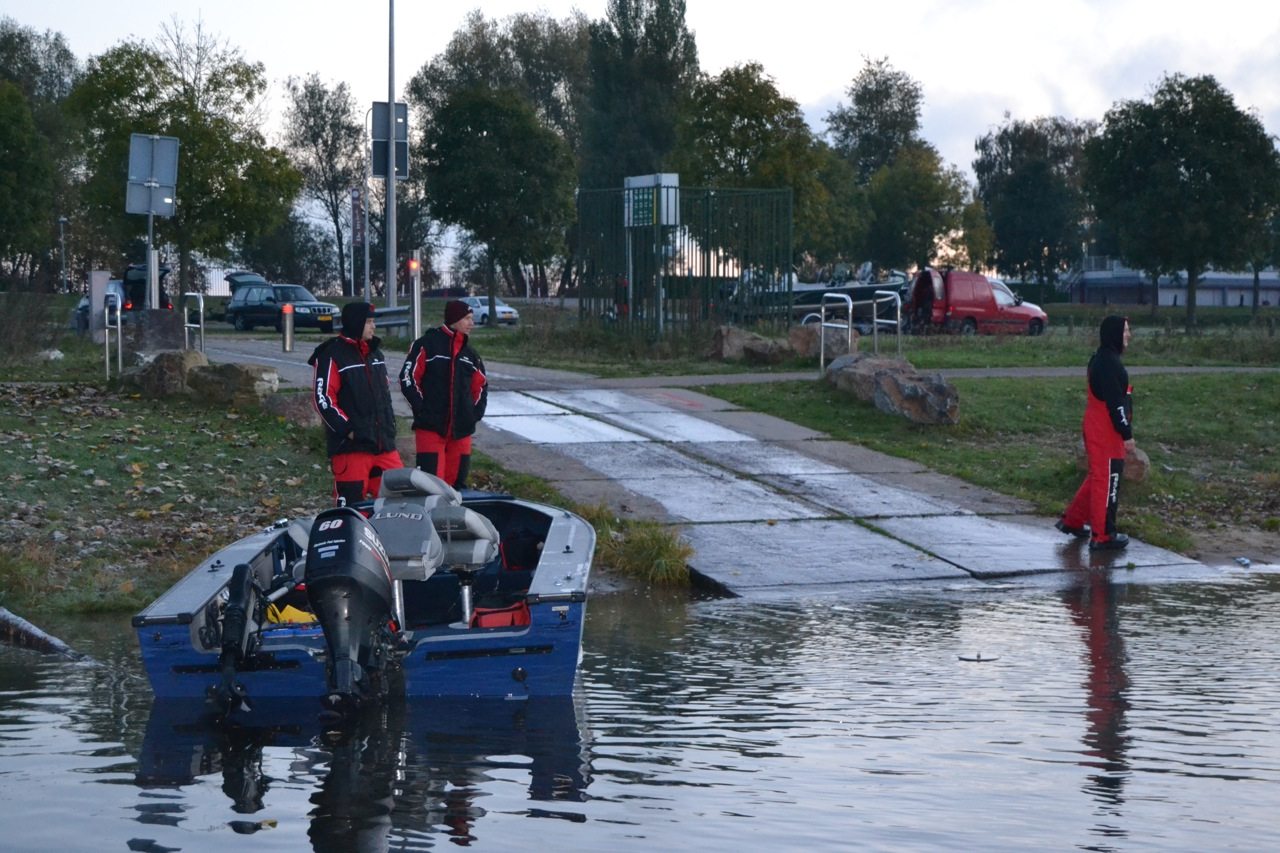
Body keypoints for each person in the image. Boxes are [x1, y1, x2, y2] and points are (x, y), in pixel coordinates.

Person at [308, 301, 403, 506]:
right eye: (369, 322)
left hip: (383, 445)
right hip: (351, 448)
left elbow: (384, 397)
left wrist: (390, 427)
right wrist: (347, 429)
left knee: (400, 501)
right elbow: (322, 398)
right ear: (356, 323)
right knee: (352, 509)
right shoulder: (331, 355)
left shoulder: (376, 354)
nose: (373, 326)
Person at [1058, 315, 1134, 551]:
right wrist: (1126, 433)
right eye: (1125, 331)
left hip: (1097, 424)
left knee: (1098, 475)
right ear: (1114, 334)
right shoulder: (1109, 364)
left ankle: (1072, 521)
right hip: (1105, 429)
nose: (1129, 335)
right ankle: (1102, 535)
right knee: (1108, 478)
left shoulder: (1101, 358)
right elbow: (1116, 404)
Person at [399, 299, 488, 489]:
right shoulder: (426, 345)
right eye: (467, 318)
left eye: (472, 319)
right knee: (430, 487)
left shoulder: (471, 354)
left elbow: (480, 386)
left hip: (461, 432)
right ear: (454, 320)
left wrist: (473, 414)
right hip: (431, 429)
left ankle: (453, 520)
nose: (472, 323)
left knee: (456, 488)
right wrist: (422, 409)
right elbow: (408, 378)